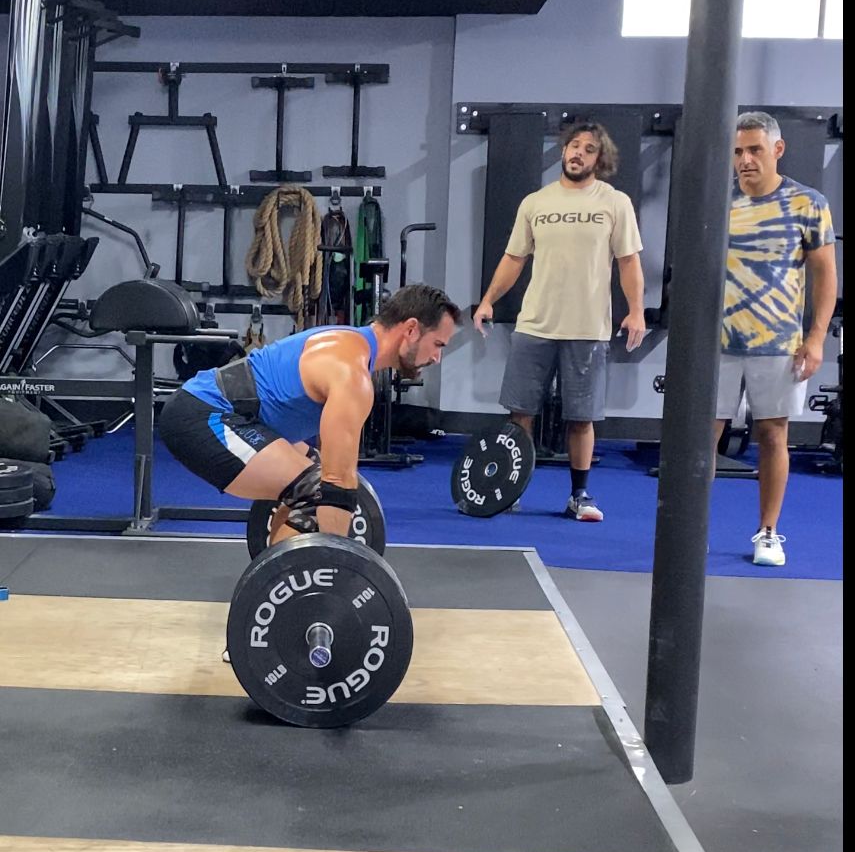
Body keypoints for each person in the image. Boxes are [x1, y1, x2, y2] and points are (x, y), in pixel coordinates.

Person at [160, 284, 460, 545]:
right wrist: (338, 568)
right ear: (410, 330)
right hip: (205, 416)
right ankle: (286, 595)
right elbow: (337, 484)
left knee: (313, 470)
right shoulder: (352, 373)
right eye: (438, 345)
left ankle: (277, 570)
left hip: (233, 413)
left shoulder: (352, 342)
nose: (437, 357)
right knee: (318, 493)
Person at [473, 121, 646, 521]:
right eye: (573, 146)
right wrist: (487, 301)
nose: (578, 153)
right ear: (563, 151)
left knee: (581, 417)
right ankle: (511, 488)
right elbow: (513, 258)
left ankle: (579, 496)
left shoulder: (614, 202)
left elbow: (629, 262)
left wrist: (636, 310)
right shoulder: (536, 202)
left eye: (588, 148)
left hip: (588, 328)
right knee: (520, 413)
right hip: (535, 324)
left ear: (599, 158)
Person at [717, 111, 837, 567]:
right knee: (701, 438)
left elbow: (826, 278)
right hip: (717, 344)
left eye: (754, 150)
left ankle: (768, 532)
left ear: (777, 150)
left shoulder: (809, 204)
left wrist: (816, 338)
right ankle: (691, 533)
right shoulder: (717, 201)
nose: (745, 160)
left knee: (773, 436)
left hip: (779, 343)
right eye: (738, 151)